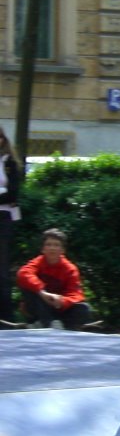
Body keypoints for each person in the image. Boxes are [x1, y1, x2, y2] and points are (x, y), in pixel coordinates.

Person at [16, 228, 92, 330]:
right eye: (49, 244)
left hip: (58, 308)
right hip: (39, 306)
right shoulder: (38, 262)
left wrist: (61, 301)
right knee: (29, 289)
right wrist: (42, 292)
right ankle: (48, 324)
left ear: (62, 250)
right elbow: (23, 274)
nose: (52, 248)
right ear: (43, 249)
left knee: (84, 309)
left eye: (56, 245)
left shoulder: (70, 269)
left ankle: (49, 324)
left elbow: (76, 294)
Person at [0, 126, 22, 324]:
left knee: (2, 268)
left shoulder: (10, 164)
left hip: (3, 218)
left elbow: (13, 194)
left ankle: (5, 316)